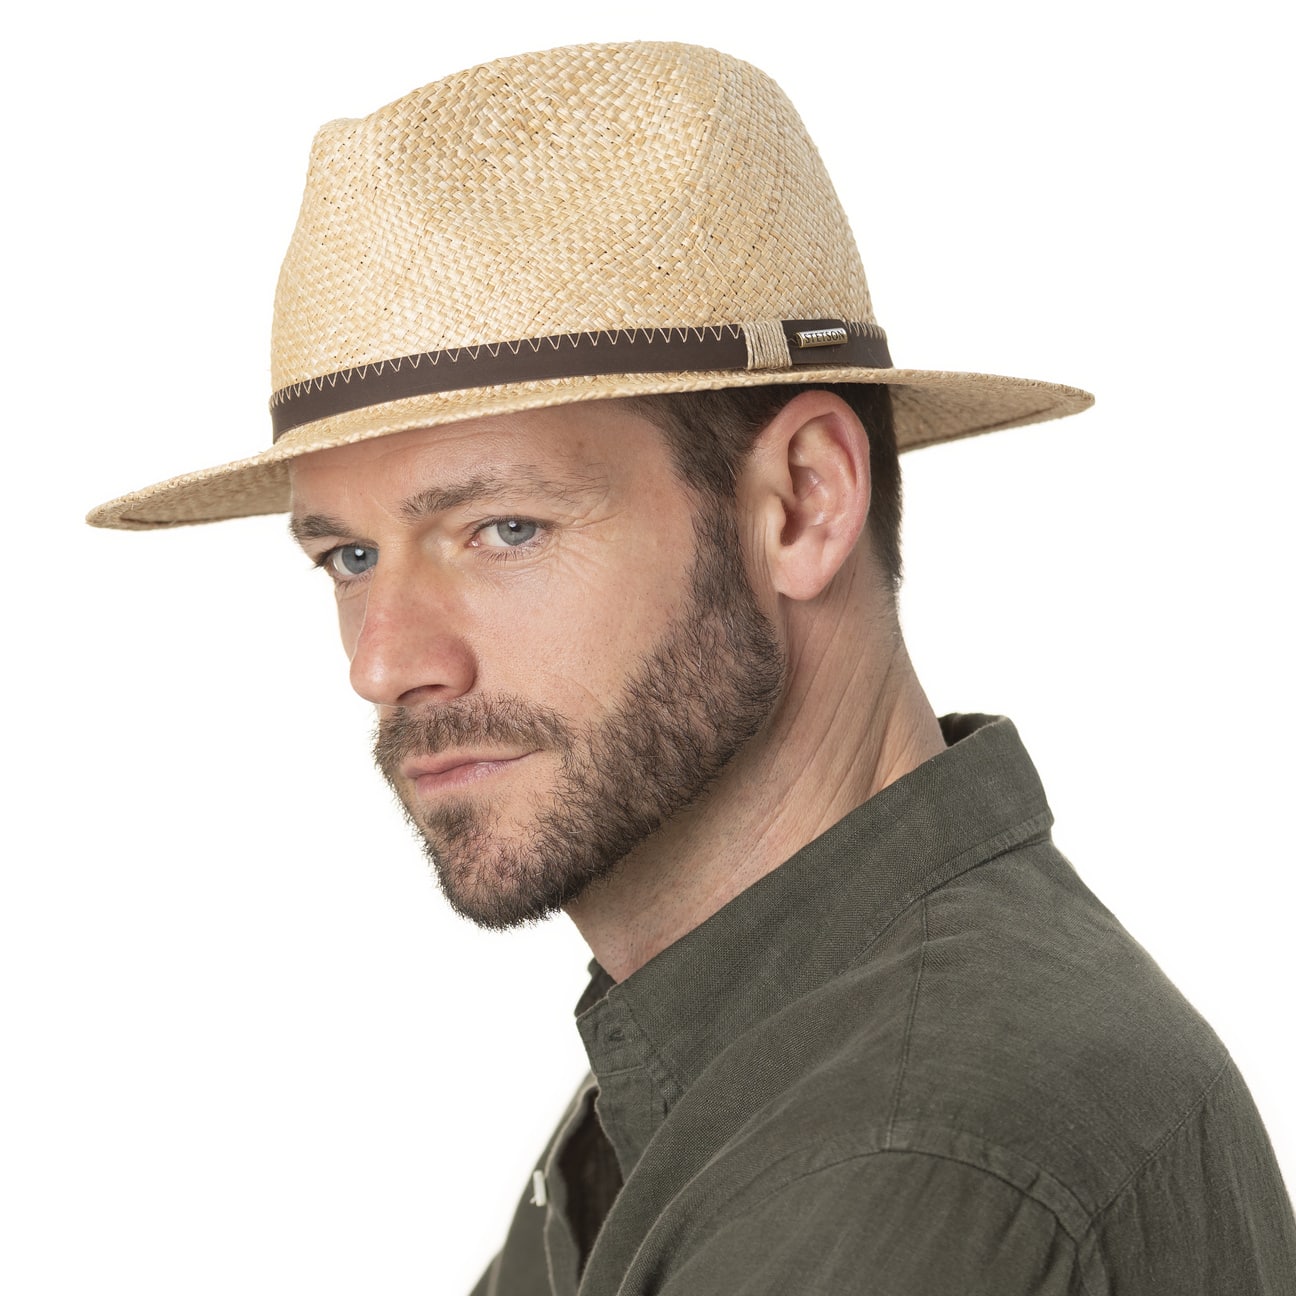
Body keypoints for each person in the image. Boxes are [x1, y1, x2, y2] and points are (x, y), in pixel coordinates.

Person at [87, 40, 1294, 1296]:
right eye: (348, 557)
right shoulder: (752, 1060)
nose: (386, 660)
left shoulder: (895, 1162)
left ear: (803, 503)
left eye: (505, 530)